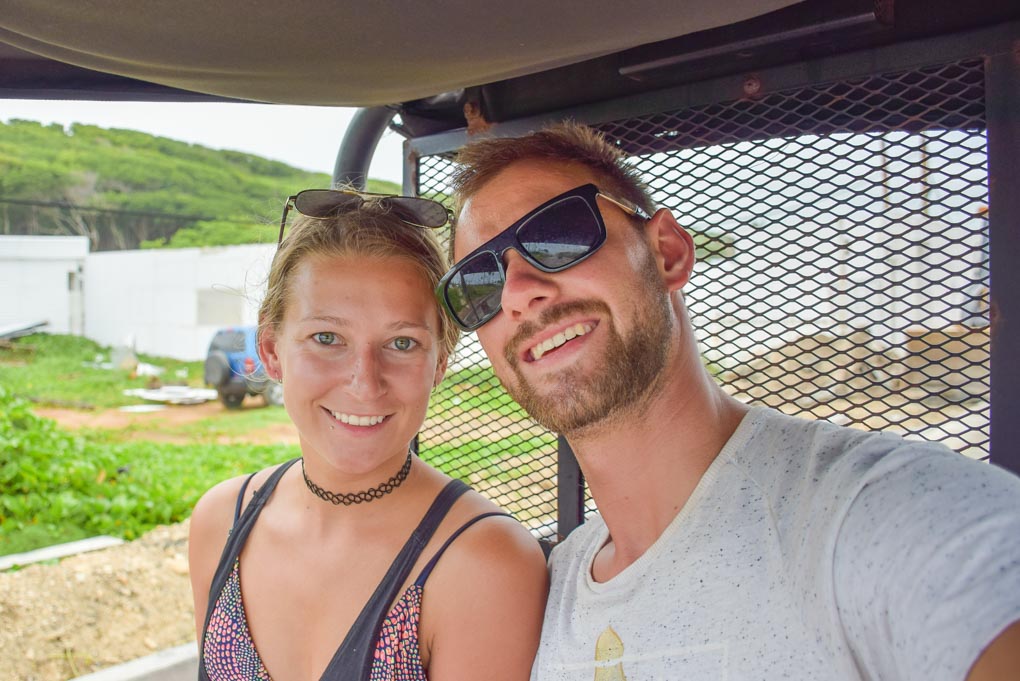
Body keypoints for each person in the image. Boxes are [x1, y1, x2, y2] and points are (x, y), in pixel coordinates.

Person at [438, 122, 1020, 680]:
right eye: (478, 284)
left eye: (557, 236)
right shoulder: (551, 589)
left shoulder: (881, 516)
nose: (516, 293)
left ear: (667, 252)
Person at [188, 188, 548, 681]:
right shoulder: (222, 522)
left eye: (402, 343)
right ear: (271, 350)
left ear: (439, 363)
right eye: (327, 338)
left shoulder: (485, 562)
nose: (364, 382)